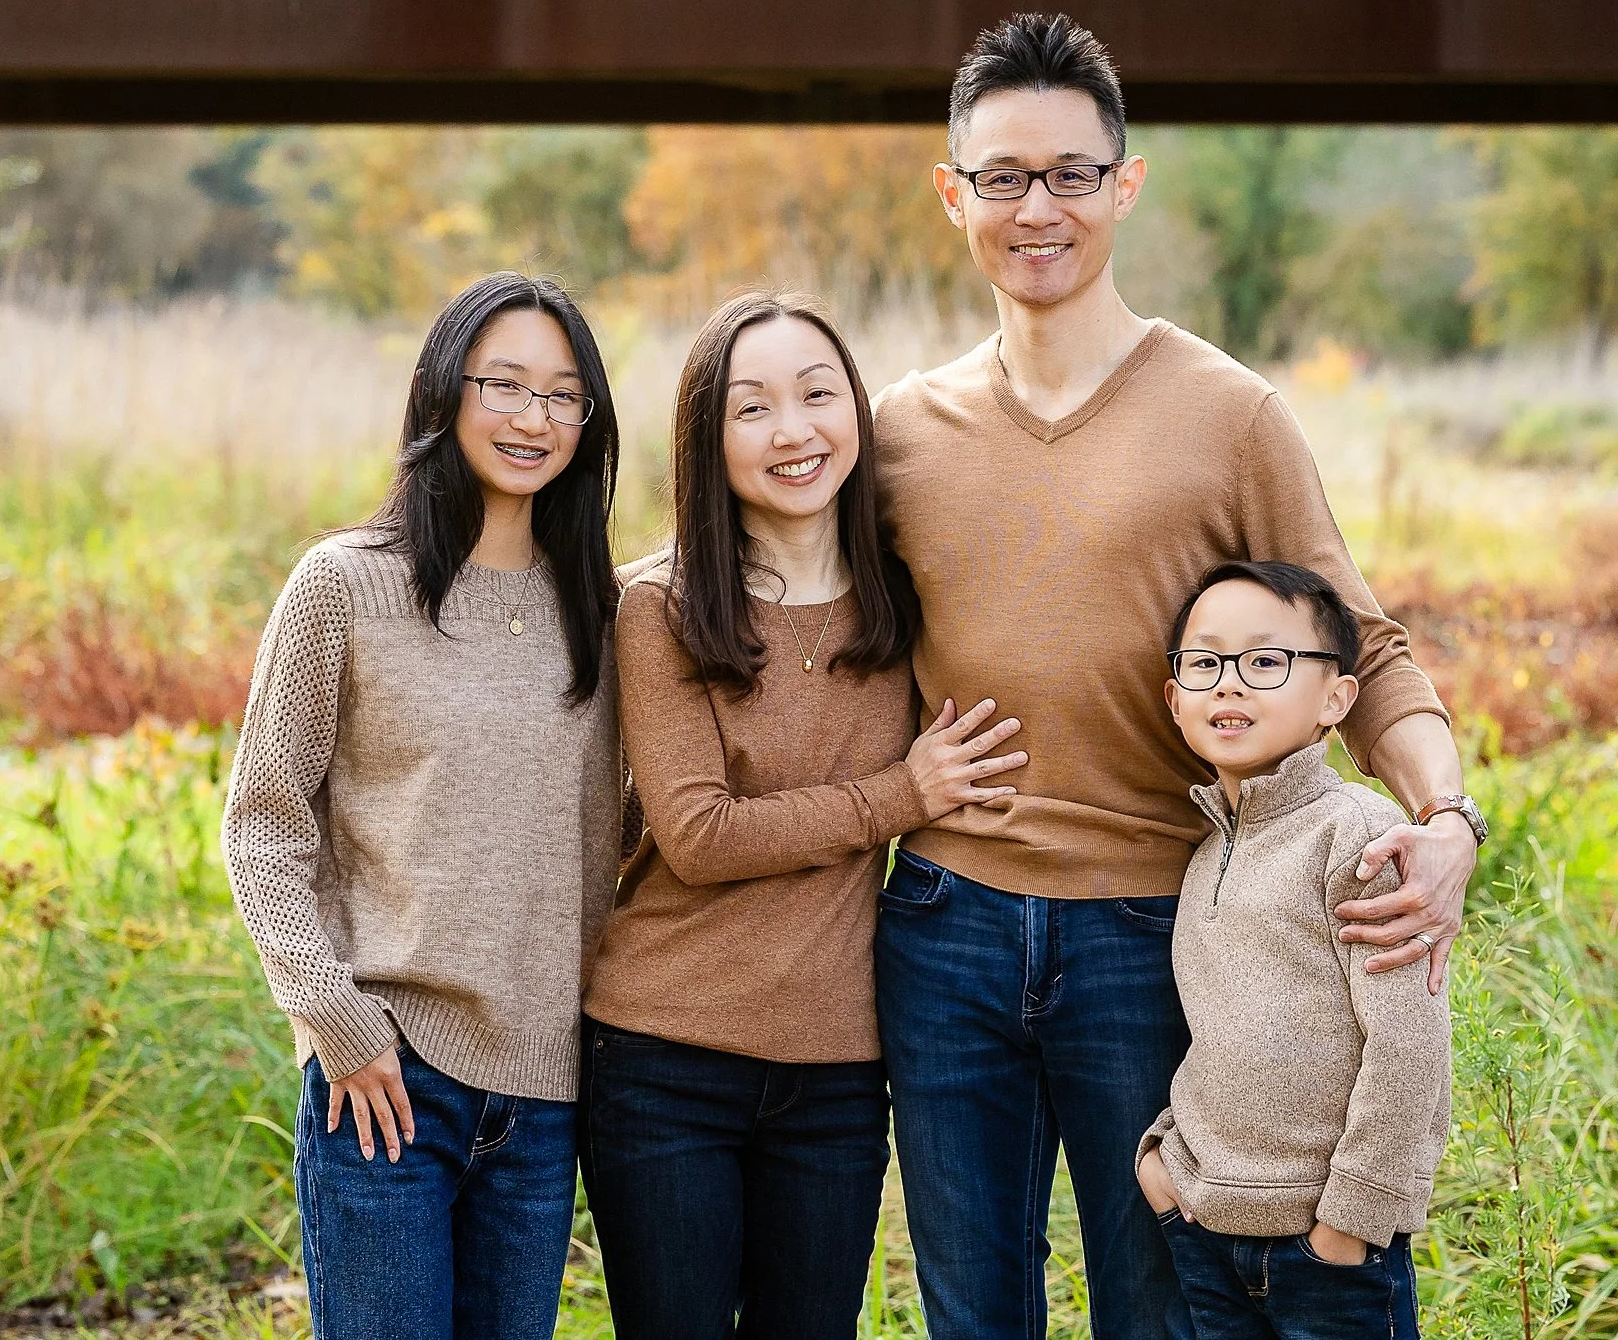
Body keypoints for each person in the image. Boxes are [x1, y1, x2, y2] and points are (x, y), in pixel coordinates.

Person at [870, 14, 1485, 1340]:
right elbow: (753, 580)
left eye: (1073, 174)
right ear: (953, 192)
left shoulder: (1229, 415)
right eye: (1005, 176)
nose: (1040, 208)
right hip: (944, 927)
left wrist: (1448, 823)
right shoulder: (899, 429)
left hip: (1153, 930)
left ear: (1125, 184)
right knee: (974, 1309)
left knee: (1157, 1310)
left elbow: (1364, 648)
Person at [580, 291, 1025, 1340]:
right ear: (707, 438)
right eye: (751, 408)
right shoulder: (661, 607)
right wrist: (900, 796)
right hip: (661, 1057)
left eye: (817, 395)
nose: (793, 430)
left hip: (834, 1070)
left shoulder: (904, 605)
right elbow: (698, 835)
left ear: (857, 416)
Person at [220, 272, 624, 1340]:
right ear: (444, 393)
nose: (534, 418)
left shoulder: (603, 609)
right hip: (386, 1082)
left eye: (564, 394)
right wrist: (334, 1018)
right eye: (506, 384)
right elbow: (262, 822)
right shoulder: (342, 586)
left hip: (542, 1097)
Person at [1136, 561, 1450, 1340]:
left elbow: (1410, 1040)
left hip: (1330, 1250)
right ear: (1174, 697)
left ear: (1336, 699)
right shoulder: (1206, 849)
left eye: (1267, 661)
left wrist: (1350, 1223)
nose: (1229, 685)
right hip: (1206, 1231)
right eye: (1203, 662)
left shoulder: (1358, 835)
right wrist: (1163, 1169)